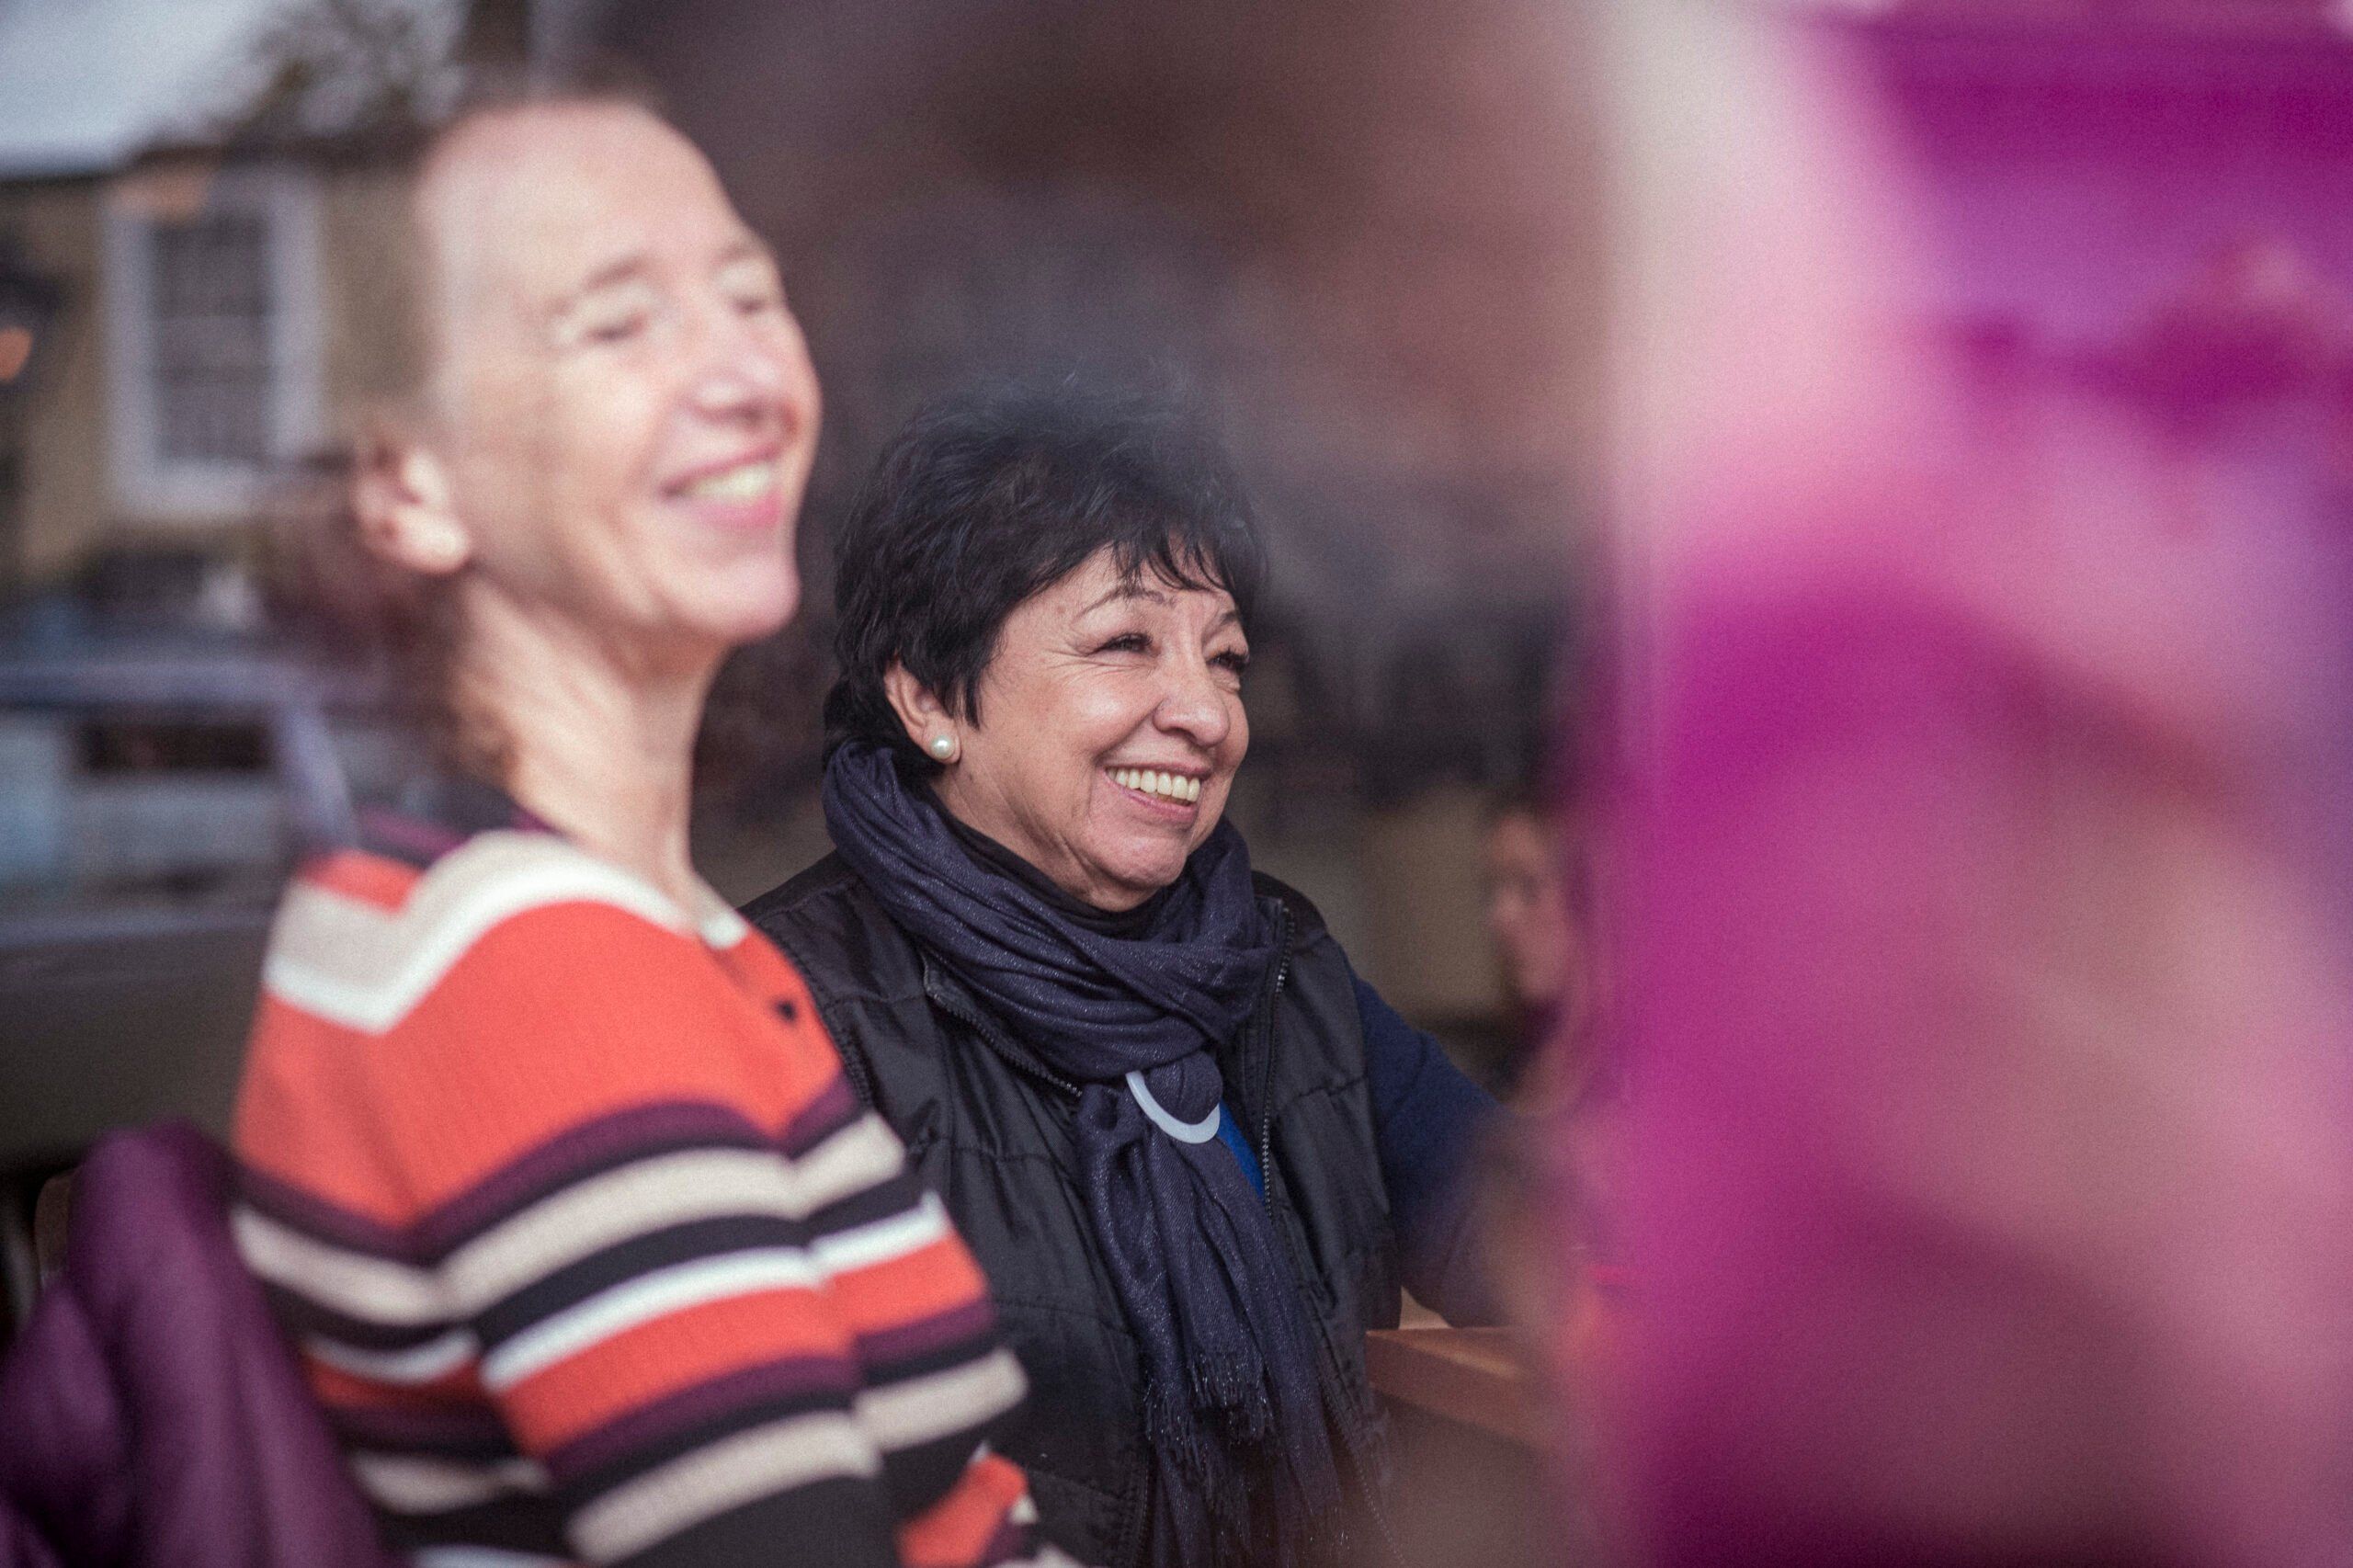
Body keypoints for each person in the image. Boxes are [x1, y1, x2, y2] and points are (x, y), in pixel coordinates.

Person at [230, 91, 1068, 1568]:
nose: (743, 369)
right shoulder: (526, 966)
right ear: (410, 482)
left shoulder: (651, 929)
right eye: (617, 324)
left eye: (750, 295)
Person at [742, 387, 1503, 1568]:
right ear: (931, 695)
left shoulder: (1277, 965)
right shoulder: (783, 1007)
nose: (1204, 713)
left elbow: (1521, 1220)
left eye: (1227, 655)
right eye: (1124, 642)